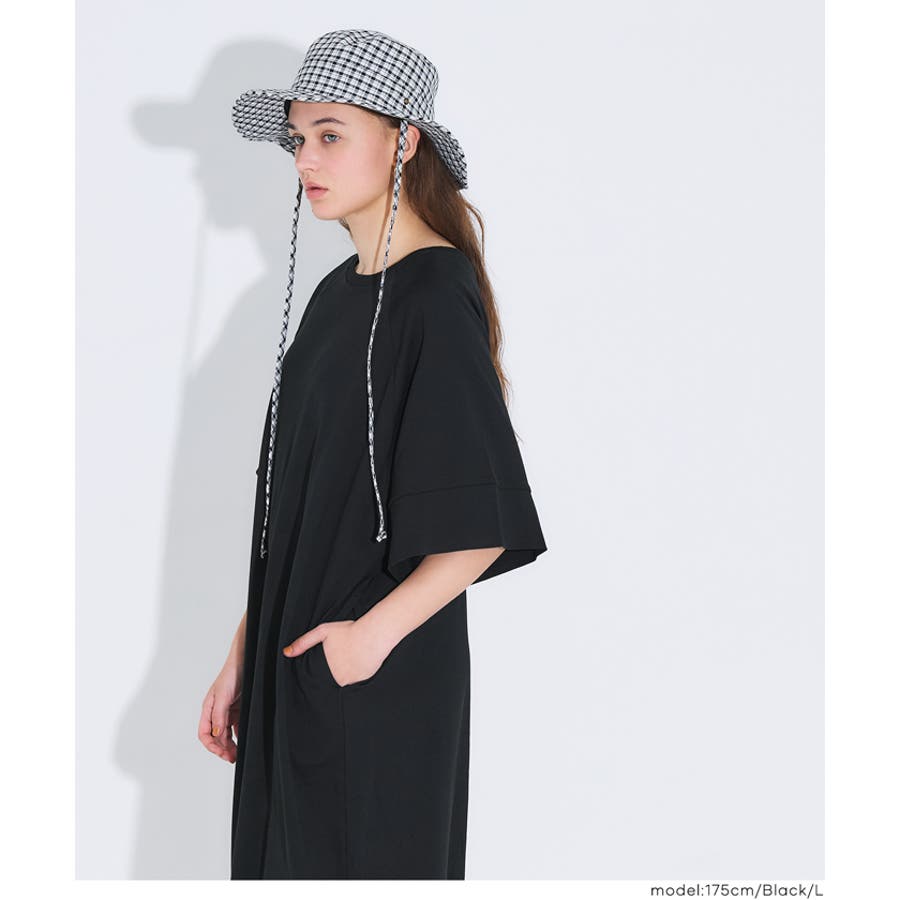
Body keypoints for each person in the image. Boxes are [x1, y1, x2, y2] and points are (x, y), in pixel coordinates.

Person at [196, 29, 548, 879]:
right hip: (296, 666)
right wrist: (245, 647)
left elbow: (483, 521)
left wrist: (365, 644)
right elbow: (303, 504)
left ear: (404, 141)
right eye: (297, 139)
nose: (305, 160)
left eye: (330, 134)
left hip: (373, 678)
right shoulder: (334, 297)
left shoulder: (433, 293)